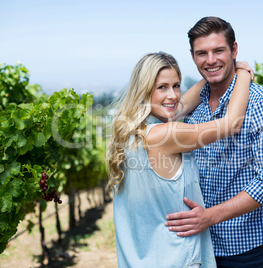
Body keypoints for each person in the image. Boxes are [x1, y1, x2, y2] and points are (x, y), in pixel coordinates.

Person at [106, 51, 252, 267]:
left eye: (176, 85)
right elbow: (231, 123)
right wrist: (242, 73)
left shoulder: (130, 135)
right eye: (162, 87)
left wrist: (219, 72)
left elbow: (178, 105)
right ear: (144, 91)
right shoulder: (165, 135)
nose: (173, 95)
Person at [164, 17, 263, 267]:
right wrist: (237, 68)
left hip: (243, 248)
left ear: (234, 49)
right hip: (193, 246)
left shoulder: (262, 103)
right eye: (202, 53)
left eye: (219, 50)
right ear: (192, 56)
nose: (210, 60)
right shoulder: (189, 109)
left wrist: (209, 217)